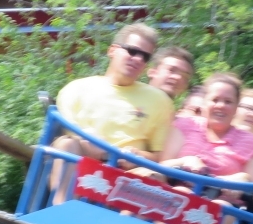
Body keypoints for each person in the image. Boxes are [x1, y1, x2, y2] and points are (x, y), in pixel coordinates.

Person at [53, 23, 174, 164]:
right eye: (132, 51)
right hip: (80, 163)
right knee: (66, 144)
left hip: (127, 173)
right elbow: (66, 130)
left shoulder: (159, 100)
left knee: (154, 175)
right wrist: (93, 144)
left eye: (145, 57)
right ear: (112, 51)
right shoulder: (75, 89)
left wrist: (135, 154)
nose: (138, 59)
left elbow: (158, 158)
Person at [161, 73, 253, 184]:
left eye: (228, 101)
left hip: (220, 199)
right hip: (176, 191)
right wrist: (185, 161)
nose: (221, 106)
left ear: (236, 108)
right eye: (215, 100)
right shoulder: (185, 124)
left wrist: (241, 179)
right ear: (204, 103)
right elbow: (162, 166)